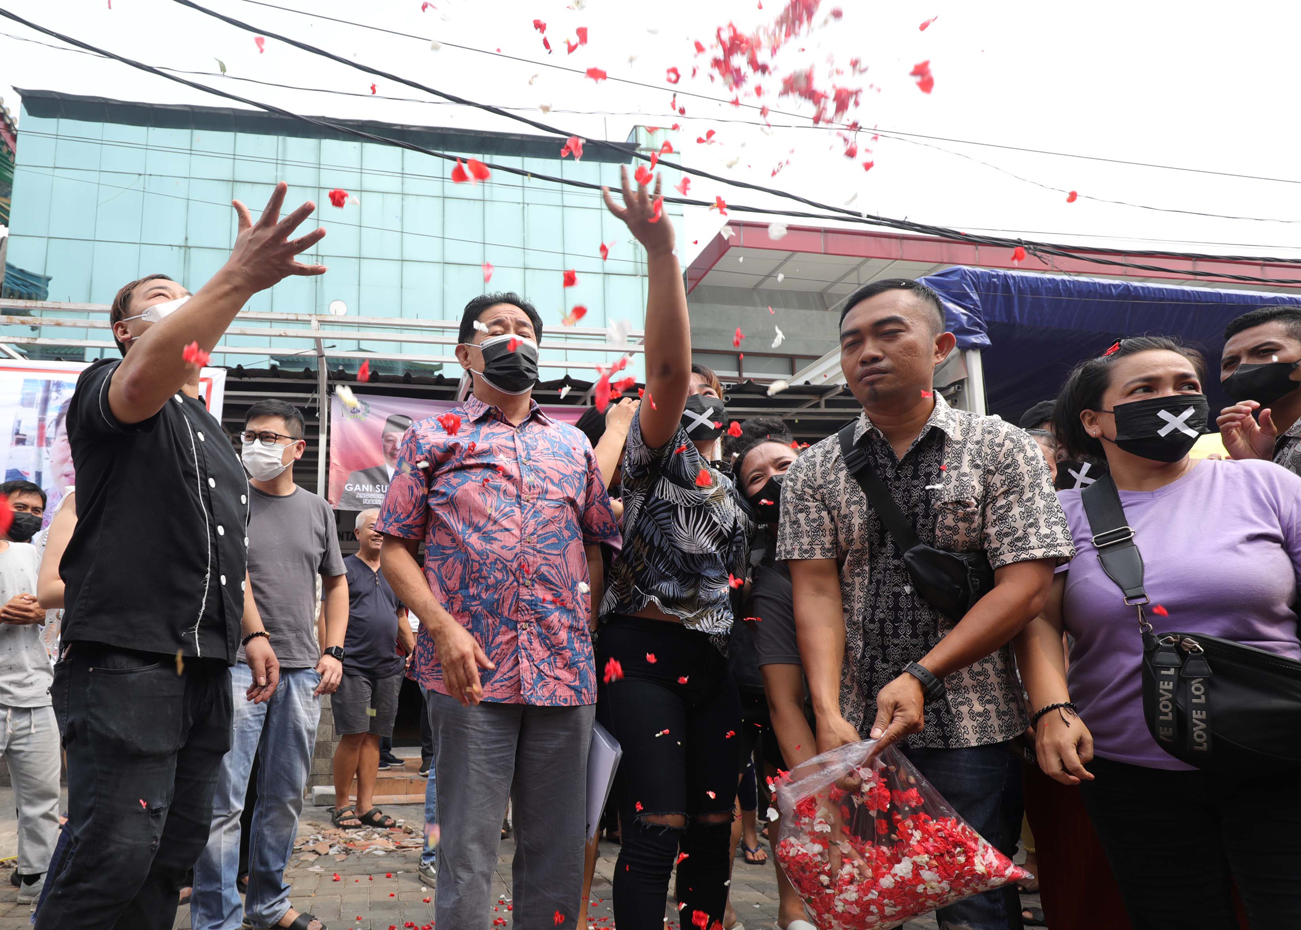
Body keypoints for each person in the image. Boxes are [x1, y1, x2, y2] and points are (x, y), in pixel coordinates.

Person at [34, 182, 321, 930]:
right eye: (162, 297)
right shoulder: (111, 391)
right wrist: (238, 276)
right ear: (128, 330)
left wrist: (253, 631)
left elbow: (224, 551)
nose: (180, 302)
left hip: (204, 670)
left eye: (186, 295)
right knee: (113, 850)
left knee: (173, 853)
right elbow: (141, 380)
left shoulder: (214, 439)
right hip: (126, 662)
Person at [778, 277, 1075, 930]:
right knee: (861, 902)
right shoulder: (813, 469)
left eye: (889, 332)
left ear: (940, 346)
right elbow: (817, 591)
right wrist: (827, 714)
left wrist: (921, 675)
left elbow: (1026, 586)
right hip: (858, 733)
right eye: (851, 341)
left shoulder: (1002, 449)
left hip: (972, 725)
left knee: (974, 909)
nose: (868, 352)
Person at [1017, 335, 1301, 929]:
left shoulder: (1267, 486)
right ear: (1094, 421)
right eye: (1144, 390)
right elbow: (1039, 619)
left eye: (1186, 387)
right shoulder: (1062, 513)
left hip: (1278, 754)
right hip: (1129, 767)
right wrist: (1051, 708)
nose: (1171, 399)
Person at [377, 279, 620, 930]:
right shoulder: (433, 437)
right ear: (466, 354)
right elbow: (393, 547)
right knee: (468, 846)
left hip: (564, 672)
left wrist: (582, 625)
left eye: (525, 328)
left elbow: (596, 543)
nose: (513, 337)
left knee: (556, 847)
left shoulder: (572, 446)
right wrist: (440, 627)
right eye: (496, 327)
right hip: (468, 672)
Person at [595, 169, 753, 930]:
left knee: (713, 833)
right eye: (681, 386)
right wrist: (663, 253)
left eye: (704, 386)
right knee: (656, 829)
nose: (692, 394)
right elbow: (662, 368)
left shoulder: (731, 485)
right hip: (642, 658)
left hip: (715, 666)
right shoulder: (655, 455)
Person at [192, 400, 348, 930]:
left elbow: (336, 582)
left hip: (303, 670)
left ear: (298, 449)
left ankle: (267, 904)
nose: (256, 445)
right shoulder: (229, 502)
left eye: (270, 437)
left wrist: (334, 649)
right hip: (237, 667)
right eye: (250, 433)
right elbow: (220, 578)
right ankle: (217, 917)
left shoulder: (318, 509)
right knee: (224, 803)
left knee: (283, 798)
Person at [730, 420, 816, 930]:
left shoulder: (843, 530)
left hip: (821, 695)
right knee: (722, 796)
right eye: (757, 478)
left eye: (784, 466)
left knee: (793, 800)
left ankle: (793, 909)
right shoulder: (744, 546)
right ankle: (716, 906)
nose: (775, 481)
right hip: (743, 686)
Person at [571, 398, 639, 930]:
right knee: (588, 793)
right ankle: (573, 910)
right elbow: (584, 498)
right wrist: (615, 429)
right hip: (600, 655)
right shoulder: (592, 494)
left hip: (675, 661)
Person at [332, 508, 414, 832]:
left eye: (382, 527)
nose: (378, 532)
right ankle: (341, 805)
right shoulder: (345, 569)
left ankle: (365, 805)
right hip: (352, 667)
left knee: (374, 737)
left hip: (386, 669)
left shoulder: (395, 572)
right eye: (371, 527)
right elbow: (329, 615)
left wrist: (414, 652)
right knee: (353, 734)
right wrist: (331, 656)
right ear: (357, 534)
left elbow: (401, 618)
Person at [0, 481, 60, 906]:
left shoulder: (43, 559)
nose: (30, 517)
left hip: (36, 694)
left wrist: (45, 611)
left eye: (38, 511)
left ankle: (37, 883)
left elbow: (59, 617)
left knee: (42, 802)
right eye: (20, 508)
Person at [1216, 305, 1301, 474]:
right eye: (1230, 363)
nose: (1242, 369)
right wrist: (1256, 470)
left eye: (1264, 352)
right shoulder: (1258, 445)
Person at [339, 414, 414, 510]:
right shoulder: (359, 477)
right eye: (390, 440)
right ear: (382, 441)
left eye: (403, 440)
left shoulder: (423, 479)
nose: (397, 446)